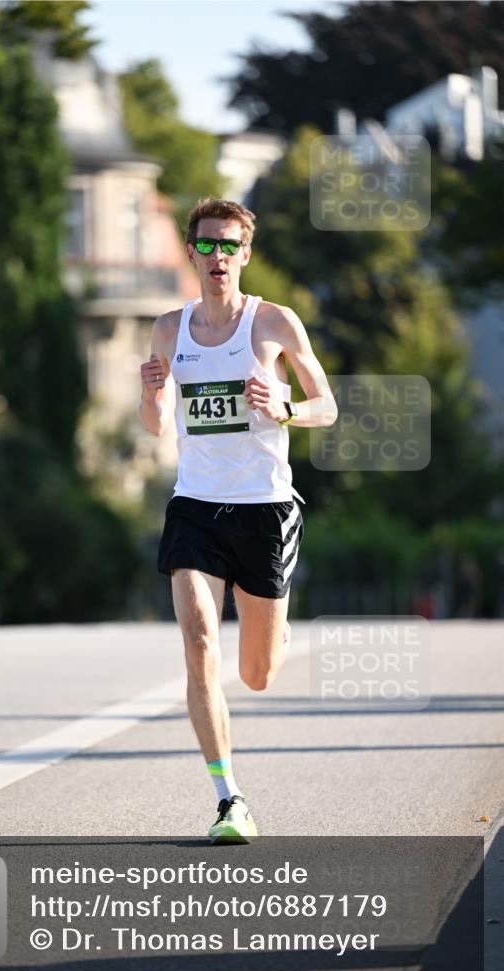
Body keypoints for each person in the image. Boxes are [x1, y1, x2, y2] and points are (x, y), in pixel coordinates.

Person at [139, 198, 337, 843]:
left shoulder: (273, 323)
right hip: (194, 505)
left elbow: (326, 406)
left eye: (229, 246)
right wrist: (150, 391)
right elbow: (158, 425)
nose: (217, 257)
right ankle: (229, 798)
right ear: (191, 252)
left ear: (245, 254)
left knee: (256, 673)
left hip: (265, 508)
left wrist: (284, 407)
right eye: (206, 245)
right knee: (199, 640)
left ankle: (274, 629)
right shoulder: (169, 329)